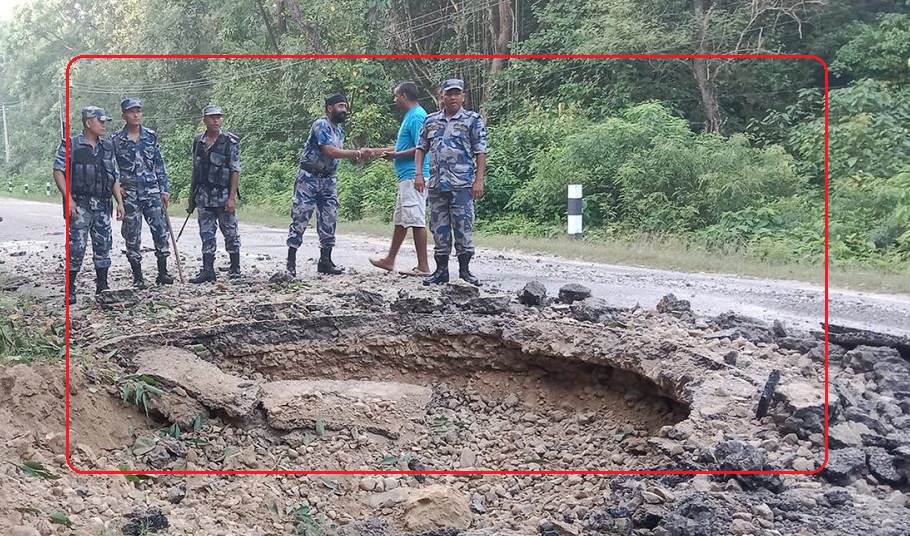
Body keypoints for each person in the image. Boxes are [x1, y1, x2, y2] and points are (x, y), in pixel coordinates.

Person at [415, 78, 487, 286]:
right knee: (439, 228)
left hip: (462, 184)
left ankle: (465, 271)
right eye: (449, 94)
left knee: (463, 227)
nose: (453, 97)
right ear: (442, 97)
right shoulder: (430, 121)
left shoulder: (472, 120)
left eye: (457, 93)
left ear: (463, 96)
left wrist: (478, 180)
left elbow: (480, 151)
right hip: (437, 184)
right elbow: (421, 148)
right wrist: (419, 174)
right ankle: (441, 271)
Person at [285, 93, 365, 277]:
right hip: (309, 177)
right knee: (300, 216)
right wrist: (357, 153)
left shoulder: (339, 131)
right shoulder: (321, 125)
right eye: (340, 106)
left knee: (329, 218)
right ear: (330, 108)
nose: (344, 110)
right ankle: (291, 261)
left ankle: (325, 261)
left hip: (329, 179)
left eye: (345, 106)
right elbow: (329, 151)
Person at [52, 106, 125, 304]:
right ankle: (70, 288)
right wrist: (69, 199)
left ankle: (102, 285)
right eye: (100, 121)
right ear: (88, 122)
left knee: (103, 246)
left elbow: (114, 176)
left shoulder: (107, 147)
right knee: (76, 247)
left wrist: (119, 202)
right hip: (80, 204)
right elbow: (58, 171)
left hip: (102, 204)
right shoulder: (72, 145)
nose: (104, 125)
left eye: (104, 121)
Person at [366, 81, 432, 276]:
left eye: (396, 96)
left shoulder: (417, 117)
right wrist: (377, 151)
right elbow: (403, 147)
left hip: (414, 176)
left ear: (403, 96)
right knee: (401, 220)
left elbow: (422, 146)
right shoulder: (410, 116)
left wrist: (396, 157)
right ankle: (390, 259)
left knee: (416, 219)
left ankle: (423, 266)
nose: (395, 100)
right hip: (406, 176)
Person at [111, 97, 174, 289]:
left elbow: (159, 164)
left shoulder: (150, 136)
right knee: (132, 236)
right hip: (129, 194)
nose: (136, 114)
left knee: (161, 232)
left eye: (138, 111)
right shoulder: (116, 140)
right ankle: (138, 277)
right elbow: (111, 167)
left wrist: (164, 189)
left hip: (152, 192)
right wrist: (116, 188)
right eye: (131, 111)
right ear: (124, 115)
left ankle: (163, 272)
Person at [187, 104, 241, 283]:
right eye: (212, 117)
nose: (216, 120)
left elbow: (235, 170)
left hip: (223, 195)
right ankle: (208, 270)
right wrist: (192, 198)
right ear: (205, 120)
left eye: (219, 117)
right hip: (203, 196)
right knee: (206, 233)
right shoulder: (198, 142)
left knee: (230, 232)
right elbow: (195, 171)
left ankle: (235, 268)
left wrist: (232, 197)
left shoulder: (229, 142)